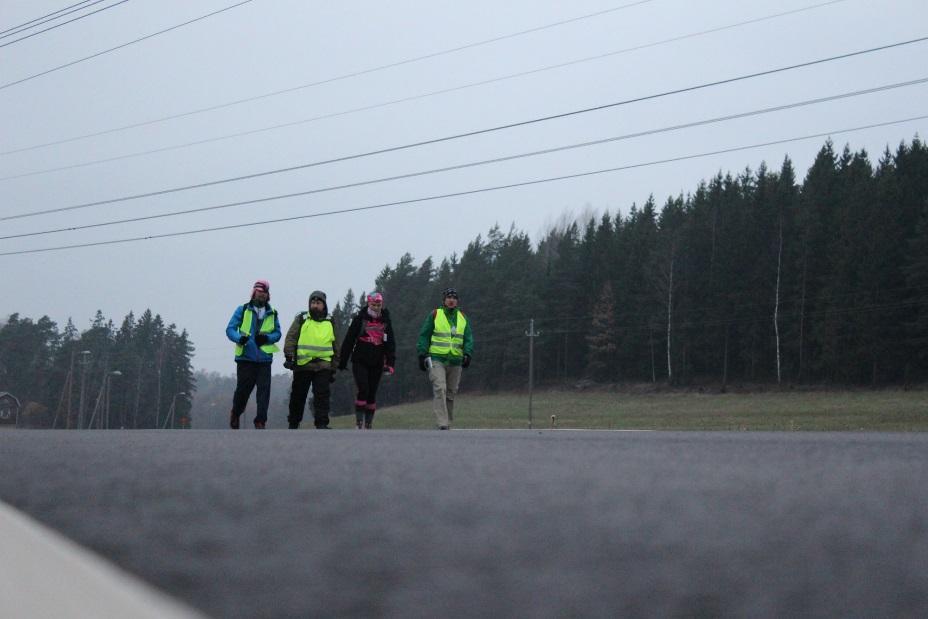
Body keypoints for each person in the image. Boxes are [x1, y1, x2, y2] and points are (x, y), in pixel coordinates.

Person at [225, 280, 281, 429]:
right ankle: (236, 413)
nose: (261, 295)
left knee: (264, 391)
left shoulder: (272, 313)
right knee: (243, 390)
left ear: (268, 295)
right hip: (246, 358)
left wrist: (267, 338)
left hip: (264, 359)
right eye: (259, 291)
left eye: (264, 292)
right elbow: (230, 329)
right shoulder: (242, 310)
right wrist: (239, 338)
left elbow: (278, 333)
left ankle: (260, 420)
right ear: (254, 292)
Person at [416, 287, 474, 430]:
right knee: (440, 388)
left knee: (451, 393)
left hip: (455, 361)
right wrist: (422, 354)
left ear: (457, 301)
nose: (451, 300)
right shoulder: (435, 314)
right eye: (449, 297)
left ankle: (448, 421)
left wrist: (468, 354)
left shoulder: (463, 317)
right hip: (437, 359)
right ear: (444, 300)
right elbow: (424, 335)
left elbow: (468, 338)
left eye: (454, 298)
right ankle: (442, 422)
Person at [338, 292, 396, 429]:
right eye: (373, 304)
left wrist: (390, 363)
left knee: (372, 393)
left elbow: (390, 343)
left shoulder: (386, 321)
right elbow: (349, 340)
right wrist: (342, 361)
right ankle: (359, 421)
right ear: (368, 304)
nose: (376, 307)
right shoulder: (360, 319)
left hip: (377, 362)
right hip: (360, 360)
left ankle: (368, 422)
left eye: (379, 305)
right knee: (363, 388)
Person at [283, 290, 339, 429]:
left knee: (322, 396)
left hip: (323, 365)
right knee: (298, 395)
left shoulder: (330, 321)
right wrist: (289, 356)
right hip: (303, 364)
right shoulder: (302, 319)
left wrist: (334, 366)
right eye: (313, 303)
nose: (315, 305)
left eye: (318, 303)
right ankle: (293, 422)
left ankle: (321, 423)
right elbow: (291, 337)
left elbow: (336, 344)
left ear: (324, 305)